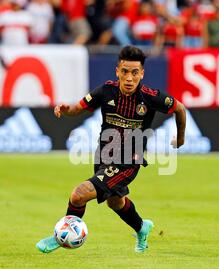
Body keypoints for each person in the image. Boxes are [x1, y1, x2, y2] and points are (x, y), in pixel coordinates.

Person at [36, 45, 186, 253]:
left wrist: (180, 138)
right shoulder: (106, 90)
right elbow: (78, 108)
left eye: (135, 73)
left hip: (129, 160)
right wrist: (65, 109)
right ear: (117, 71)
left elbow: (179, 108)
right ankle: (142, 228)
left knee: (79, 194)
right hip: (105, 155)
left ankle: (61, 237)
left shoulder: (150, 96)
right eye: (125, 72)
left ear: (142, 73)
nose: (129, 78)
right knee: (115, 202)